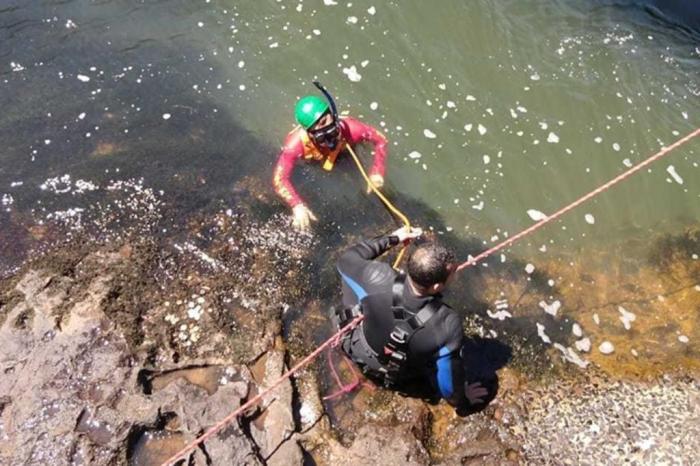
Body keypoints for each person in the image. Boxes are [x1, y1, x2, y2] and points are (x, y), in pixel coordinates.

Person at [333, 227, 488, 411]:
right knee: (445, 356)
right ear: (437, 286)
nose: (456, 273)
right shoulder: (447, 322)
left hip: (356, 347)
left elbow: (346, 259)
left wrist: (394, 238)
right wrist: (460, 399)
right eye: (454, 272)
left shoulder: (376, 277)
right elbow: (448, 383)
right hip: (397, 373)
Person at [273, 83, 388, 231]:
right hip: (313, 160)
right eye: (319, 130)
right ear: (309, 133)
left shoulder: (352, 129)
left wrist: (377, 171)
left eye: (325, 121)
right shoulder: (294, 146)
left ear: (332, 114)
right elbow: (279, 179)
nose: (327, 131)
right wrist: (297, 205)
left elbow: (381, 140)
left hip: (344, 152)